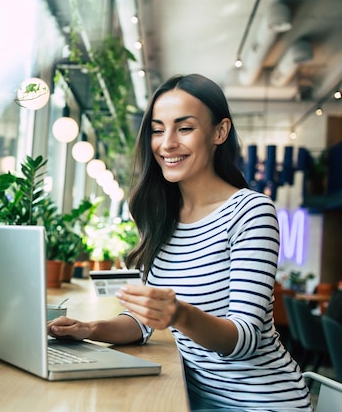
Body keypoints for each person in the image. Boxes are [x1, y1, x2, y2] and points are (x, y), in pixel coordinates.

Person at [49, 74, 312, 411]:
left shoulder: (251, 212)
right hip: (193, 397)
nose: (167, 143)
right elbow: (143, 321)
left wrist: (178, 313)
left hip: (260, 403)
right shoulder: (164, 217)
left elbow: (244, 339)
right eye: (158, 130)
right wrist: (89, 328)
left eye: (184, 128)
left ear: (220, 132)